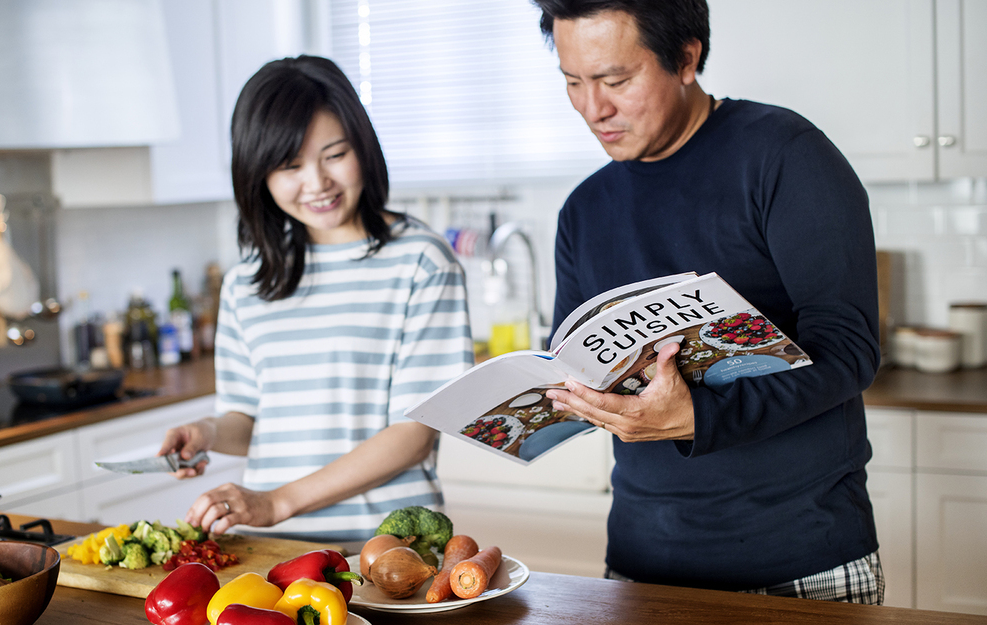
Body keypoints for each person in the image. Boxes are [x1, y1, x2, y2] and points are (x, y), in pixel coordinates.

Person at [533, 0, 884, 603]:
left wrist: (699, 416)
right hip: (643, 563)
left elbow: (851, 351)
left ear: (687, 57)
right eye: (573, 82)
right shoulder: (583, 212)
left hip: (803, 561)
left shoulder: (786, 156)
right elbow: (582, 363)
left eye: (616, 81)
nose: (594, 108)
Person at [158, 56, 474, 542]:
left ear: (363, 148)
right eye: (289, 165)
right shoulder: (248, 281)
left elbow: (413, 436)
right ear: (258, 175)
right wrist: (208, 432)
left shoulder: (422, 261)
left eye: (334, 154)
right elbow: (250, 421)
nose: (317, 182)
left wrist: (275, 502)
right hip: (268, 552)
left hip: (387, 549)